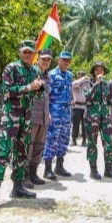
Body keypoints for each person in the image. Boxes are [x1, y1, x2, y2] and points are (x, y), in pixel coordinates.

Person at [0, 39, 45, 210]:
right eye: (25, 51)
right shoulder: (11, 68)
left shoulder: (35, 70)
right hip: (11, 116)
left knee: (22, 152)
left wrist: (39, 88)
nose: (27, 54)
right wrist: (28, 87)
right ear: (20, 52)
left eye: (30, 52)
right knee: (4, 152)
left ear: (34, 54)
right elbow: (7, 91)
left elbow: (39, 95)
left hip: (26, 117)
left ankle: (18, 186)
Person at [84, 59, 112, 180]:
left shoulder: (106, 84)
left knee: (109, 142)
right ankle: (93, 170)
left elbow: (108, 100)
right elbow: (87, 97)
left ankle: (108, 169)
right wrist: (96, 84)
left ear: (104, 72)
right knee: (92, 143)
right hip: (92, 117)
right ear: (93, 72)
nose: (99, 71)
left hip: (105, 117)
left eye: (101, 69)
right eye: (96, 69)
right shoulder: (88, 82)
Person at [42, 48, 74, 178]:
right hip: (54, 111)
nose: (66, 62)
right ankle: (47, 169)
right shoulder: (51, 75)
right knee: (52, 139)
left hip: (66, 112)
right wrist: (47, 111)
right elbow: (46, 95)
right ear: (58, 60)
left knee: (64, 138)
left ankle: (59, 166)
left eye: (68, 60)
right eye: (63, 59)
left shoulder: (70, 76)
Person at [25, 48, 52, 187]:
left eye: (48, 60)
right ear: (38, 59)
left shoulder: (47, 76)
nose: (46, 62)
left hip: (43, 116)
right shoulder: (31, 73)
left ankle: (33, 173)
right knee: (28, 145)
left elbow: (47, 96)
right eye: (44, 59)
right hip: (32, 114)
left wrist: (48, 112)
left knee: (39, 146)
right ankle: (24, 175)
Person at [71, 70, 89, 146]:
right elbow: (73, 84)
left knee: (85, 125)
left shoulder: (87, 84)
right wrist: (82, 79)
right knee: (75, 124)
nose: (81, 76)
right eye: (80, 75)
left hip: (84, 106)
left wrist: (87, 81)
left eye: (82, 75)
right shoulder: (75, 83)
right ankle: (74, 139)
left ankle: (84, 139)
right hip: (76, 106)